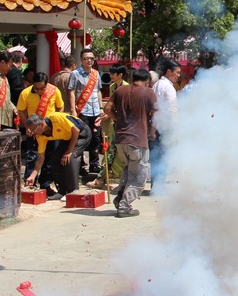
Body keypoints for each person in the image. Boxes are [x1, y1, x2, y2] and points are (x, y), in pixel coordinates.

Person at [103, 68, 156, 218]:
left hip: (121, 140)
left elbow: (107, 109)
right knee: (139, 177)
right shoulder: (148, 92)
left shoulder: (120, 90)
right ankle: (124, 207)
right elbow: (157, 113)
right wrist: (152, 131)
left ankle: (121, 196)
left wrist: (117, 119)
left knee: (128, 170)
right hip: (138, 140)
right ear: (147, 81)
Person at [24, 112, 90, 199]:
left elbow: (76, 130)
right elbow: (41, 158)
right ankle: (62, 191)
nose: (33, 133)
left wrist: (69, 151)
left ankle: (73, 191)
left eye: (34, 129)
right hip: (67, 138)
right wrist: (32, 176)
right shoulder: (40, 136)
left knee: (70, 158)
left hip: (82, 133)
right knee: (55, 159)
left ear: (41, 124)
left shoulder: (56, 118)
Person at [17, 71, 64, 183]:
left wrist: (56, 121)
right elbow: (21, 110)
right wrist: (27, 126)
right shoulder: (25, 93)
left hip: (49, 130)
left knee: (50, 156)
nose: (39, 91)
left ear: (47, 85)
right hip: (33, 130)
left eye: (42, 88)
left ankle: (46, 183)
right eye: (36, 88)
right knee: (32, 155)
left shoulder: (54, 91)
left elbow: (60, 107)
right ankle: (29, 181)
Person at [68, 48, 103, 178]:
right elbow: (71, 92)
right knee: (82, 138)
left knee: (96, 138)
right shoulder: (75, 74)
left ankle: (94, 164)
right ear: (81, 60)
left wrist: (101, 108)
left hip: (95, 110)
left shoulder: (96, 73)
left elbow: (98, 91)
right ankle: (81, 165)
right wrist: (73, 110)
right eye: (86, 58)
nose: (89, 61)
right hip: (82, 110)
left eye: (91, 58)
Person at [150, 58, 181, 195]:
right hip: (165, 127)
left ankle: (155, 186)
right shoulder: (168, 88)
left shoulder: (157, 85)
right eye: (177, 72)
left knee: (156, 157)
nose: (178, 75)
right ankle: (159, 188)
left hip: (156, 126)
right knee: (162, 157)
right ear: (169, 72)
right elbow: (172, 110)